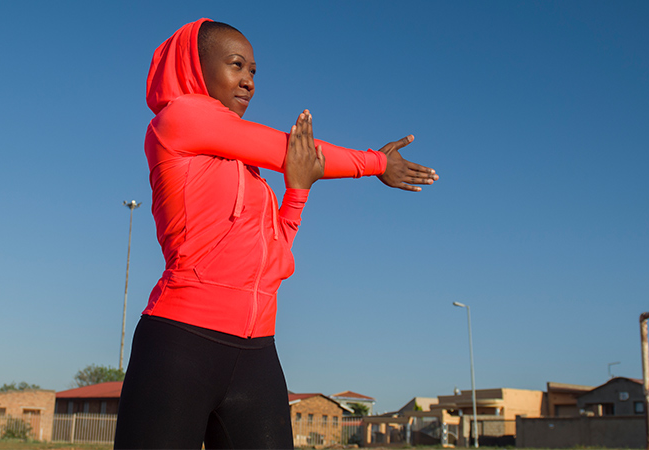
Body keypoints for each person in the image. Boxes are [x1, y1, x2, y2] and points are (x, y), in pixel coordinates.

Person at [113, 18, 438, 450]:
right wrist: (376, 163)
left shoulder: (248, 175)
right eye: (235, 65)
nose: (248, 81)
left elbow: (277, 252)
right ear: (196, 66)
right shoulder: (180, 119)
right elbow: (291, 150)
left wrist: (298, 191)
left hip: (257, 354)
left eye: (252, 71)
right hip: (181, 345)